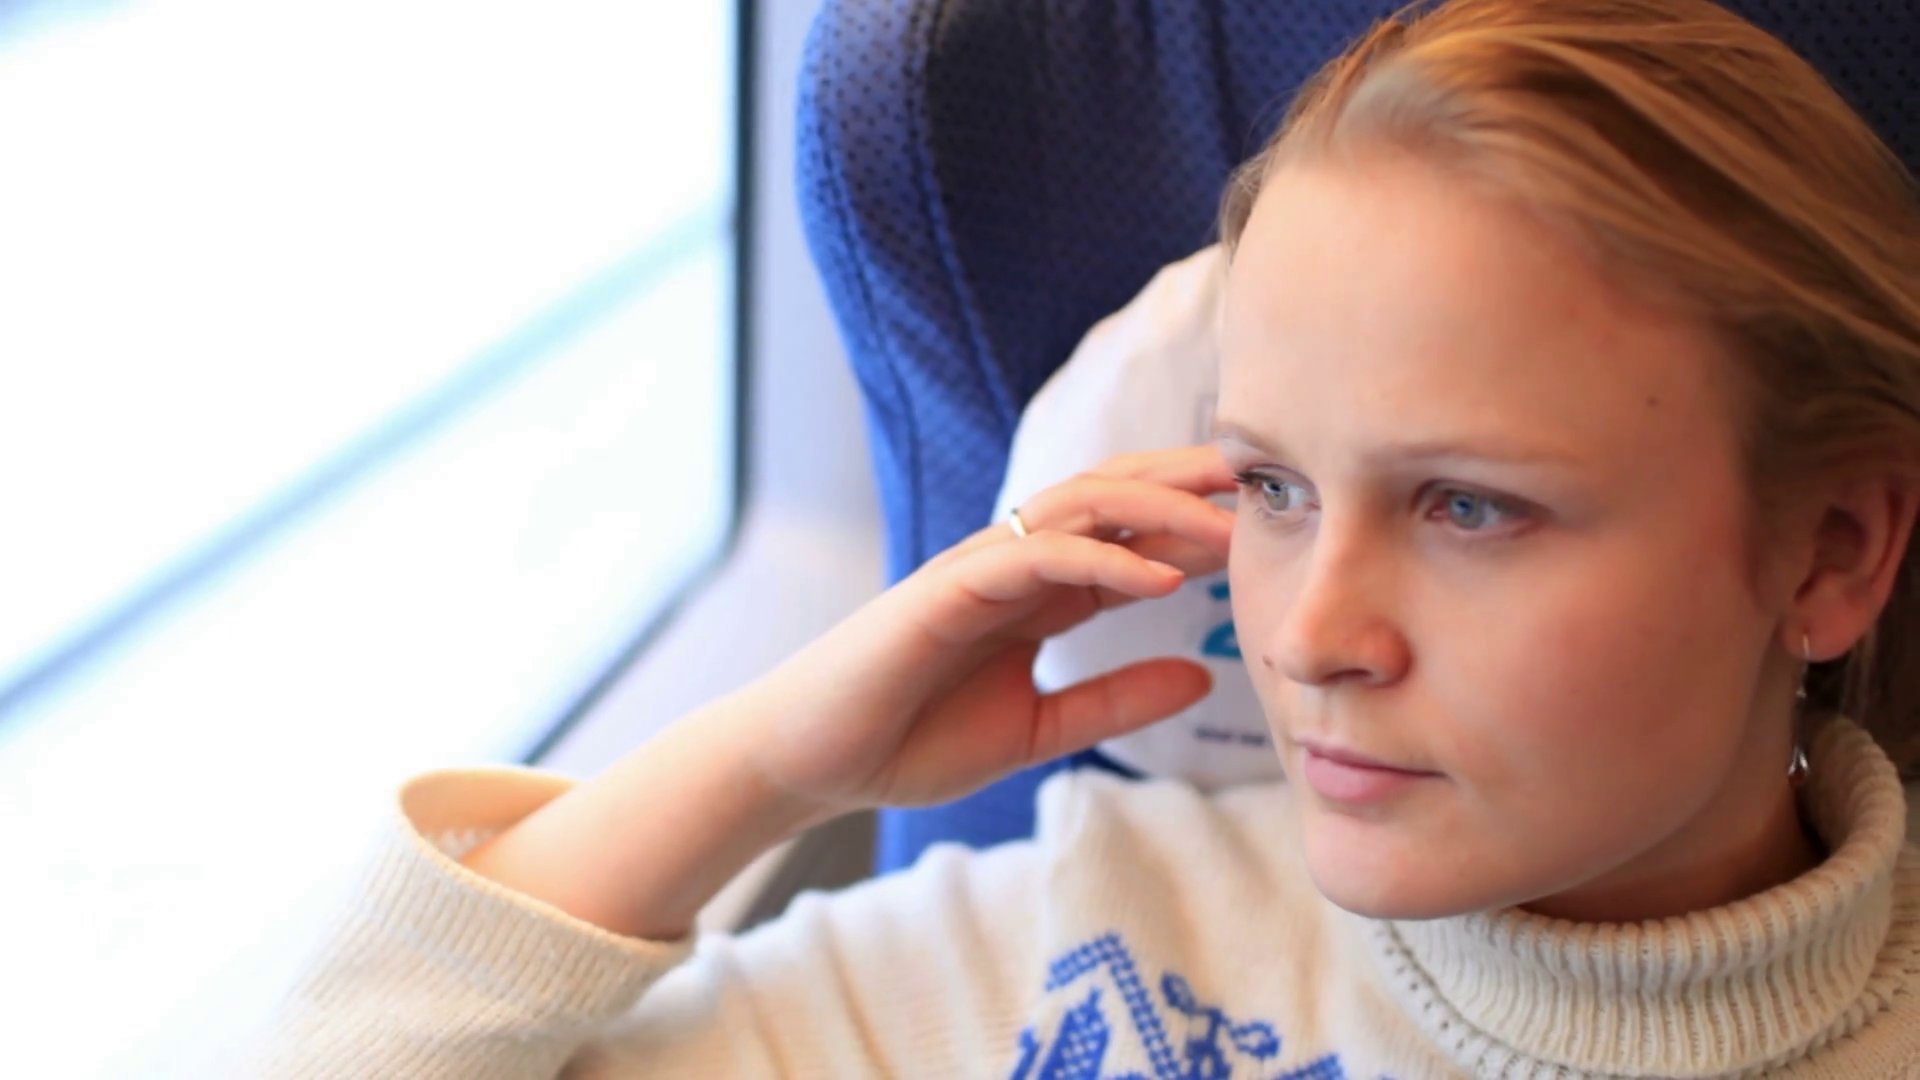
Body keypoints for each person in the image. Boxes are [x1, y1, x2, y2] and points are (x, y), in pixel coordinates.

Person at [246, 0, 1920, 1075]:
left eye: (1470, 506)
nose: (1307, 636)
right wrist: (773, 766)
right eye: (1272, 489)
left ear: (1833, 551)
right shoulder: (1080, 949)